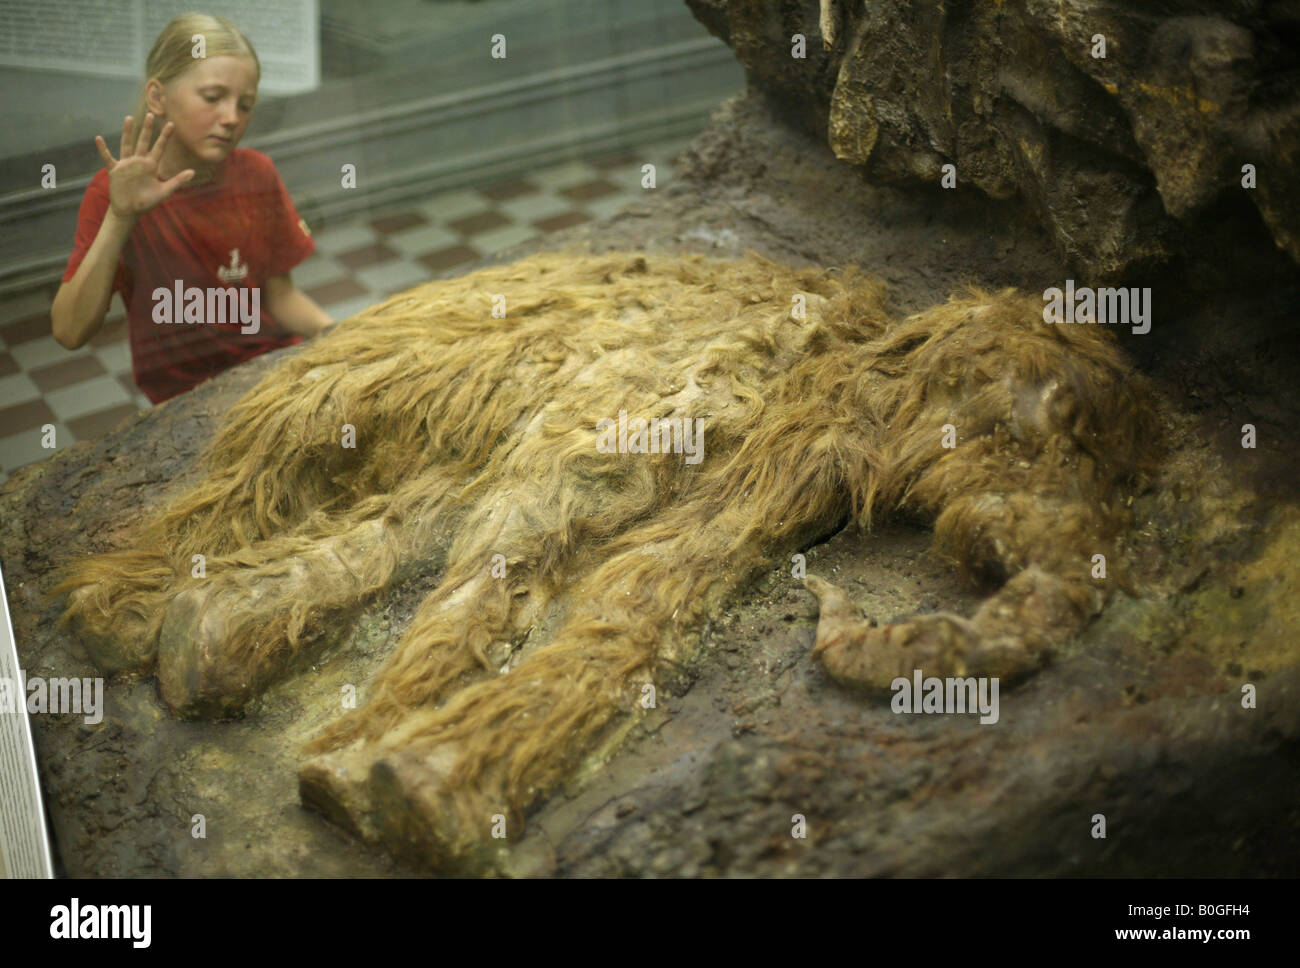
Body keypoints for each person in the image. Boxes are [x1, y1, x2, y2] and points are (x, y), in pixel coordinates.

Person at [51, 13, 333, 404]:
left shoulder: (256, 172)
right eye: (213, 97)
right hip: (184, 400)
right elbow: (69, 331)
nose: (231, 117)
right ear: (158, 97)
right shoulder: (111, 195)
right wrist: (121, 217)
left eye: (245, 104)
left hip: (272, 373)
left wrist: (339, 334)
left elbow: (278, 296)